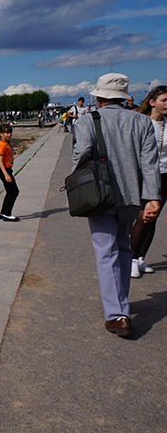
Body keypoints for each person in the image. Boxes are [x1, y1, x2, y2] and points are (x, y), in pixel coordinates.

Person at [72, 73, 160, 337]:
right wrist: (153, 197)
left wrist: (76, 177)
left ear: (99, 97)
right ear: (123, 98)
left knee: (105, 251)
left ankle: (118, 315)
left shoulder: (88, 120)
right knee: (123, 247)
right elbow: (149, 162)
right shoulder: (142, 121)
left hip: (99, 194)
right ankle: (121, 304)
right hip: (132, 194)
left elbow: (82, 152)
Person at [129, 85, 167, 278]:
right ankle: (131, 258)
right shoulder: (140, 122)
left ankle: (141, 257)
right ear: (152, 102)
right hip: (145, 176)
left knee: (154, 218)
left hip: (165, 175)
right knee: (144, 217)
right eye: (164, 100)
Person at [0, 123, 20, 221]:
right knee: (14, 191)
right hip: (4, 170)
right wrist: (6, 174)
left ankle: (3, 213)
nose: (9, 134)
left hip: (7, 169)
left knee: (10, 191)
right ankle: (7, 213)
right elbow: (0, 160)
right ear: (1, 134)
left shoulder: (6, 143)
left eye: (10, 132)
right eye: (6, 133)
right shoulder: (2, 145)